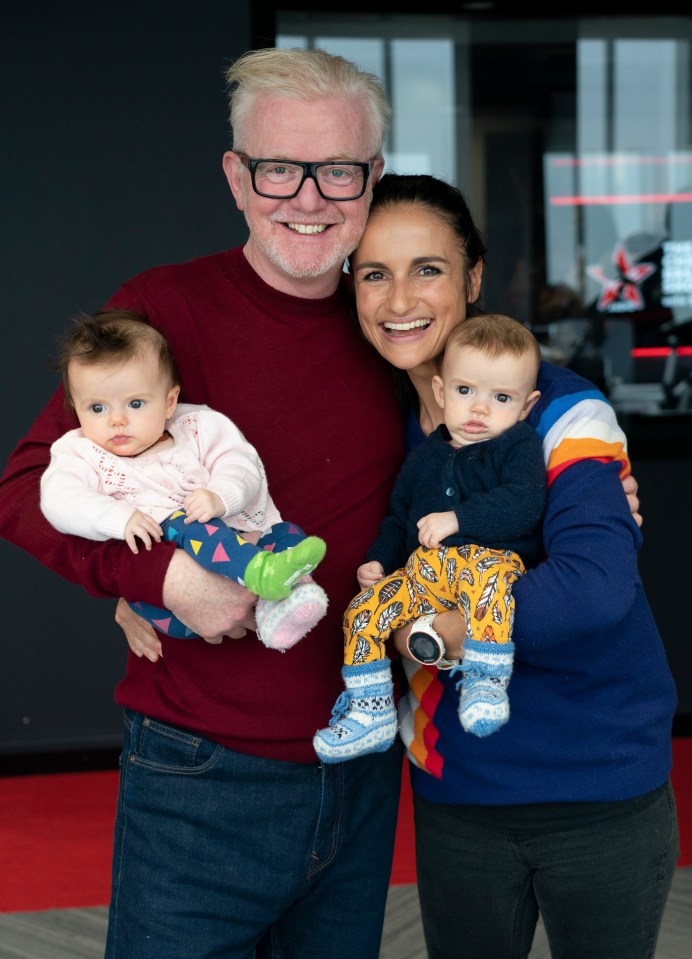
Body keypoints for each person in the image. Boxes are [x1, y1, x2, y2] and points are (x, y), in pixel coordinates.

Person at [0, 48, 407, 959]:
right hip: (201, 770)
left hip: (363, 759)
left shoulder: (394, 322)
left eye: (338, 170)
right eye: (277, 169)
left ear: (373, 177)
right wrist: (161, 574)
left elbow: (487, 422)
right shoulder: (160, 311)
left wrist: (585, 458)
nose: (308, 198)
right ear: (235, 175)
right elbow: (29, 488)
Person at [349, 172, 679, 959]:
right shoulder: (374, 430)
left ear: (472, 277)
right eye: (373, 272)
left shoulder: (565, 413)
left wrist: (420, 634)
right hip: (457, 788)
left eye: (427, 268)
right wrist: (139, 583)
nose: (400, 299)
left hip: (597, 781)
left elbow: (595, 588)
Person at [314, 313, 546, 761]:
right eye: (465, 392)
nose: (479, 409)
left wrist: (458, 518)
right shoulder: (423, 459)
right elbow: (399, 519)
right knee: (363, 611)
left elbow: (524, 504)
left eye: (500, 397)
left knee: (492, 584)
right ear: (441, 392)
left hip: (488, 564)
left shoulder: (517, 448)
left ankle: (485, 679)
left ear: (526, 406)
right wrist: (380, 560)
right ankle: (370, 710)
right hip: (424, 576)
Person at [41, 308, 329, 650]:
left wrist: (220, 495)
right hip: (168, 604)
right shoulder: (80, 452)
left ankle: (284, 607)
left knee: (286, 534)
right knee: (187, 522)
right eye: (97, 408)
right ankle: (262, 575)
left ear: (169, 402)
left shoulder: (199, 427)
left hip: (236, 551)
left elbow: (241, 464)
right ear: (75, 407)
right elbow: (58, 500)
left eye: (135, 403)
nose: (116, 420)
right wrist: (119, 518)